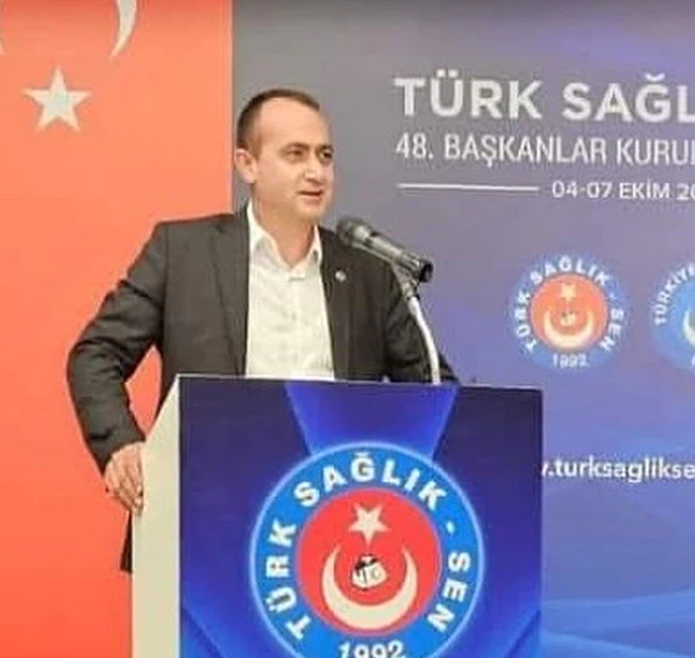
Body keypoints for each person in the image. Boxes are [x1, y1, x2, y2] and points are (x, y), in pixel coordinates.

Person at [66, 87, 455, 570]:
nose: (316, 172)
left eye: (325, 156)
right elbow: (96, 354)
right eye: (295, 154)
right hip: (207, 517)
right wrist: (122, 445)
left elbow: (435, 389)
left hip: (340, 524)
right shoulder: (184, 252)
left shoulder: (368, 274)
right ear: (247, 165)